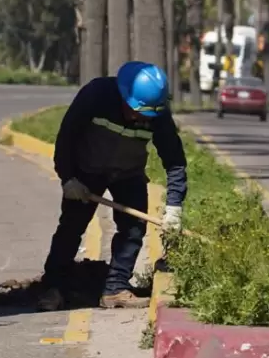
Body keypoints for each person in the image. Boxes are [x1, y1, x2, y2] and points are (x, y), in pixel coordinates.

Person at [37, 61, 188, 311]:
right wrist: (68, 179)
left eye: (146, 114)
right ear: (124, 94)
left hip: (128, 173)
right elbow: (66, 138)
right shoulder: (97, 95)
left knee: (133, 231)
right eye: (136, 110)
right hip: (86, 171)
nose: (139, 117)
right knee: (71, 229)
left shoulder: (157, 112)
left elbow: (175, 161)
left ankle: (116, 288)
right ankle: (53, 287)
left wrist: (174, 206)